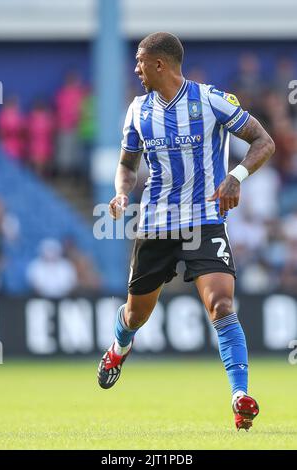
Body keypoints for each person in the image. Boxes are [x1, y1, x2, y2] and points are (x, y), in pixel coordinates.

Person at [97, 32, 275, 431]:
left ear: (160, 64)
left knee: (222, 306)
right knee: (136, 314)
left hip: (205, 219)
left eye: (140, 61)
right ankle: (119, 346)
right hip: (157, 224)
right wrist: (122, 194)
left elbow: (264, 141)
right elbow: (126, 163)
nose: (136, 68)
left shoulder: (212, 100)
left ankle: (239, 395)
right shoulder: (138, 110)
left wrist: (236, 176)